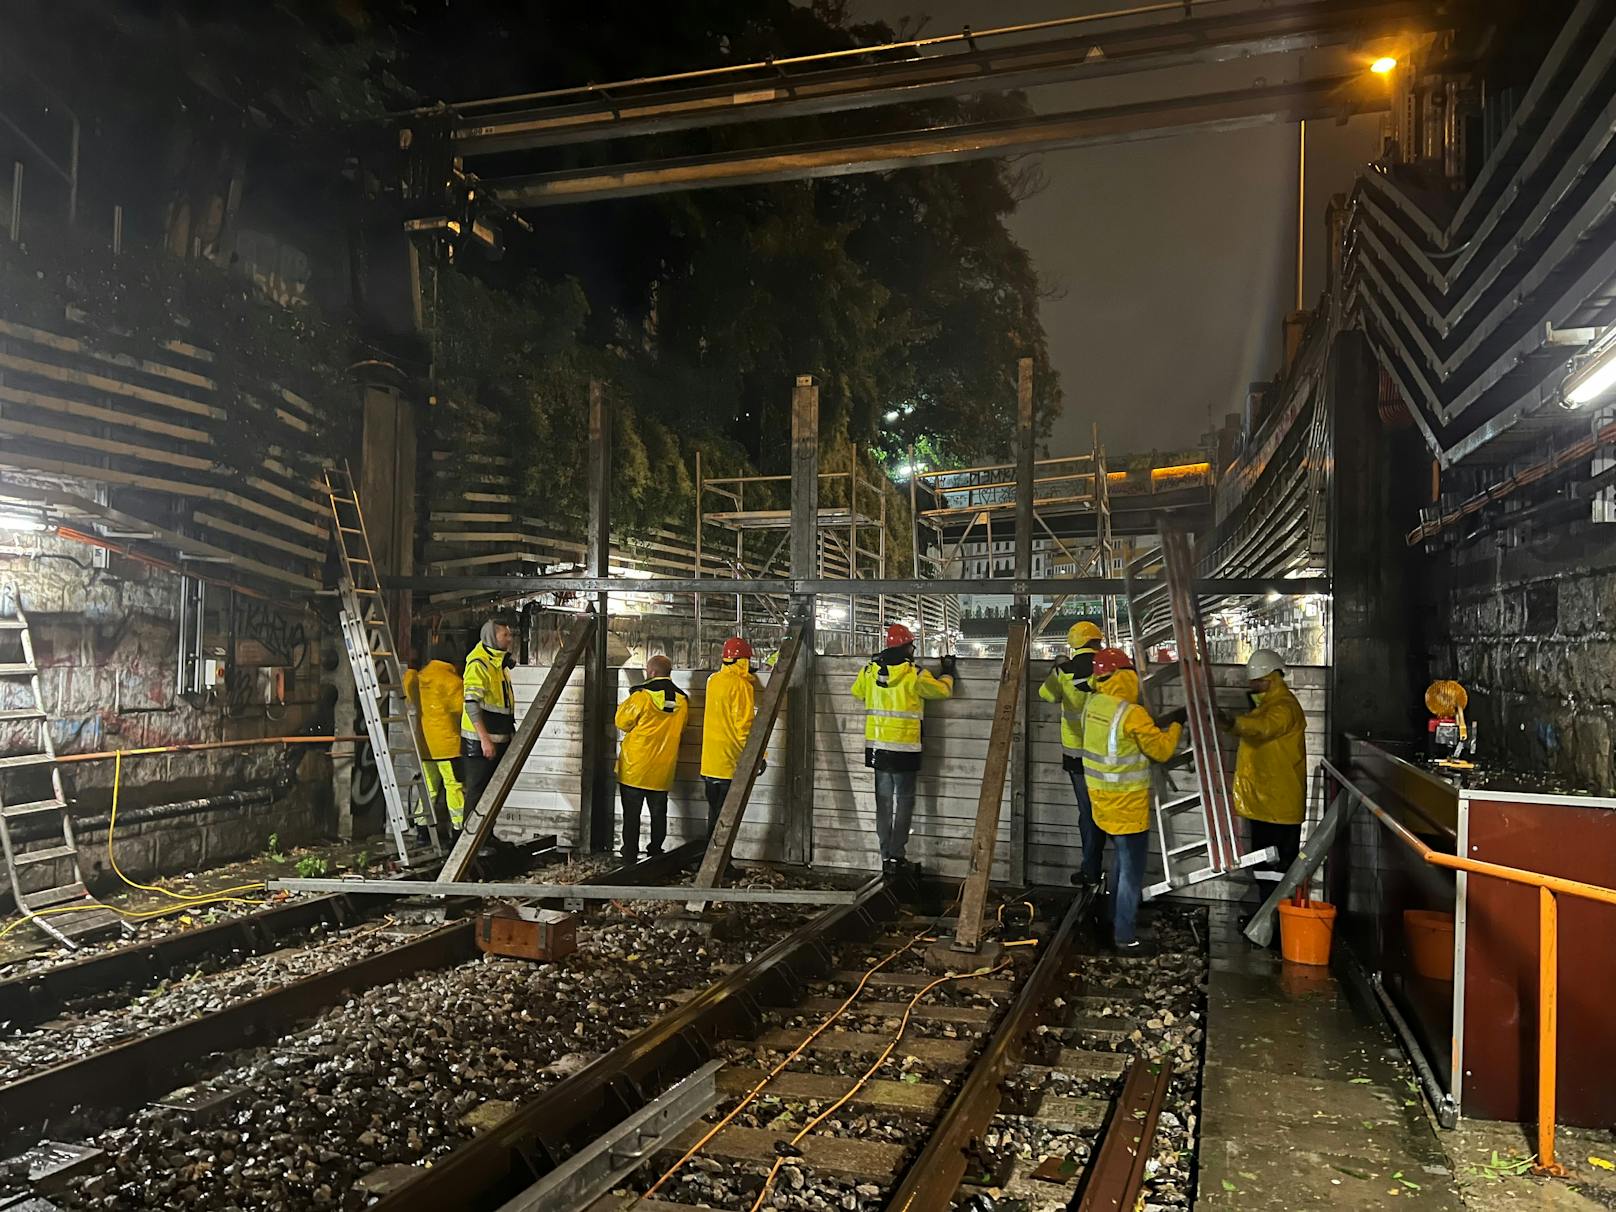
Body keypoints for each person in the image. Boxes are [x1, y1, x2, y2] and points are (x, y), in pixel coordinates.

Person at [1082, 647, 1182, 954]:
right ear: (1125, 676)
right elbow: (1162, 751)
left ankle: (1111, 917)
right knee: (1130, 872)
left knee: (1119, 862)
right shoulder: (1131, 713)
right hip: (1128, 806)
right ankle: (1124, 936)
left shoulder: (1093, 703)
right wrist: (1177, 724)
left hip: (1102, 803)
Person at [849, 623, 955, 874]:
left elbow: (857, 692)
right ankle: (898, 854)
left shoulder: (869, 670)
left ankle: (886, 855)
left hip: (877, 748)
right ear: (908, 647)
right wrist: (949, 671)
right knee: (904, 801)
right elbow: (943, 691)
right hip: (905, 749)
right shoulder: (915, 674)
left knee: (883, 803)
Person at [1223, 648, 1308, 880]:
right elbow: (1255, 723)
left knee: (1276, 871)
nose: (1252, 686)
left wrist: (1232, 722)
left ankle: (1274, 914)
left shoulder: (1283, 708)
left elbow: (1262, 727)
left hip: (1278, 809)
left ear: (1270, 679)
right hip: (1268, 805)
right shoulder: (1266, 707)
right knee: (1264, 869)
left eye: (1257, 682)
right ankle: (1267, 914)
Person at [1038, 621, 1104, 886]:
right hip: (1107, 754)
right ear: (1096, 642)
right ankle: (1098, 868)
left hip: (1076, 755)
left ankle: (1090, 868)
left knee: (1087, 813)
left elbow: (1047, 695)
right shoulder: (1107, 668)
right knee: (1110, 813)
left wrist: (1056, 668)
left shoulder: (1064, 671)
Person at [615, 653, 690, 860]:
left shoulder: (641, 696)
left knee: (632, 814)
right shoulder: (682, 700)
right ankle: (655, 850)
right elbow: (682, 728)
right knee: (659, 813)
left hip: (635, 768)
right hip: (663, 768)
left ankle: (629, 852)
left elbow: (621, 722)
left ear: (652, 672)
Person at [700, 637, 762, 833]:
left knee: (714, 814)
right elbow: (744, 727)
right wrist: (758, 757)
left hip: (709, 764)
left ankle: (710, 859)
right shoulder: (742, 686)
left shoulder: (713, 681)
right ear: (743, 660)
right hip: (730, 764)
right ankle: (721, 863)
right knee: (726, 819)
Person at [405, 641, 466, 842]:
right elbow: (460, 711)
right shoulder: (453, 681)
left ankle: (422, 830)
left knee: (429, 787)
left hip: (425, 746)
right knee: (453, 786)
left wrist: (411, 668)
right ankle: (458, 829)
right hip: (447, 747)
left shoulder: (419, 678)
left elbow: (408, 690)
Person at [460, 612, 517, 826]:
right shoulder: (479, 663)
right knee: (477, 793)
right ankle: (469, 842)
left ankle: (485, 838)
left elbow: (503, 704)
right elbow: (471, 703)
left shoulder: (498, 664)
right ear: (493, 637)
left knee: (490, 794)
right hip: (479, 743)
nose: (509, 639)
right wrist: (484, 739)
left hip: (497, 738)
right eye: (505, 635)